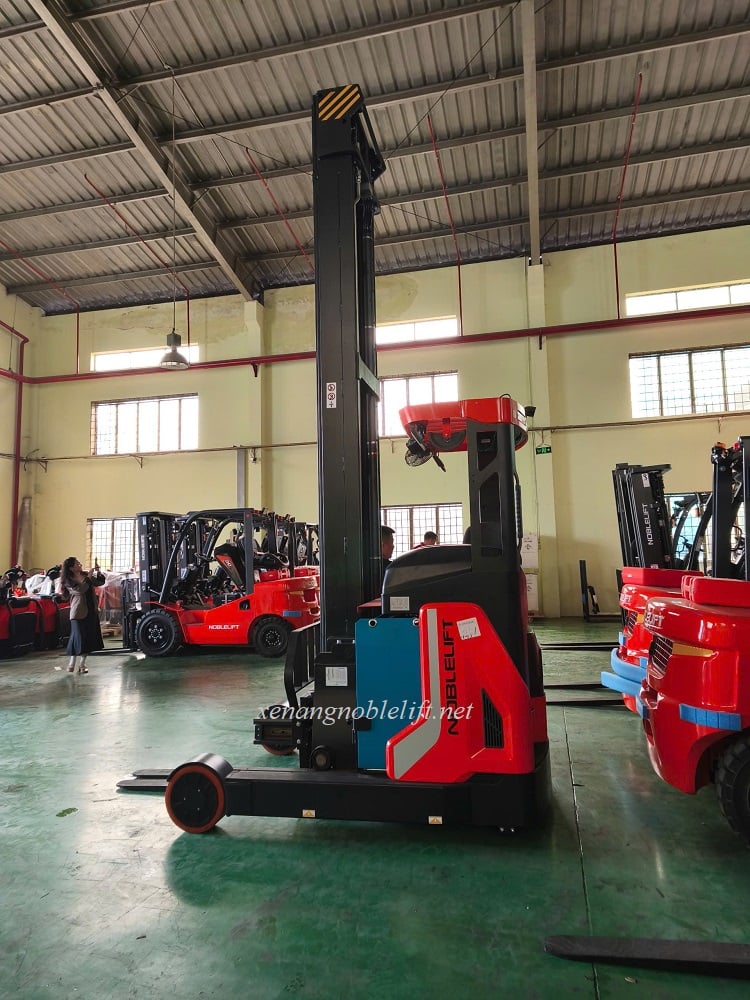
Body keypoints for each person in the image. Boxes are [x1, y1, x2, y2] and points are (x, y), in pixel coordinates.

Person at [57, 557, 105, 673]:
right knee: (77, 637)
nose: (80, 565)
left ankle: (82, 664)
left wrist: (98, 572)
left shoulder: (84, 575)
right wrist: (89, 577)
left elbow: (100, 582)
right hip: (78, 611)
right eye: (77, 564)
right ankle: (71, 663)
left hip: (91, 609)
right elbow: (80, 590)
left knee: (88, 638)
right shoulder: (68, 580)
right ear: (71, 568)